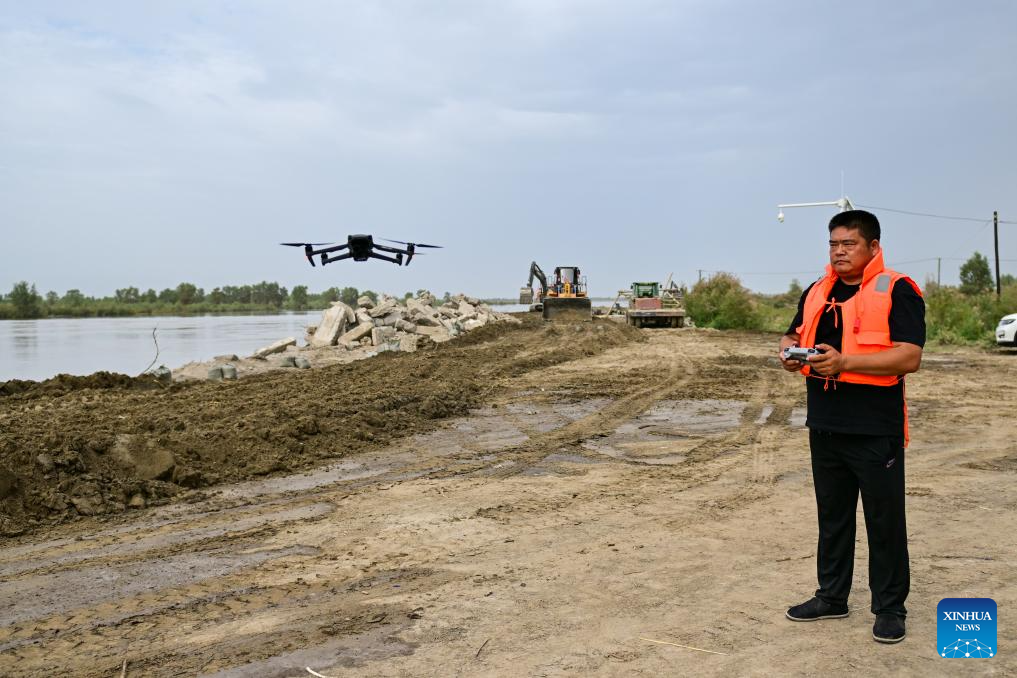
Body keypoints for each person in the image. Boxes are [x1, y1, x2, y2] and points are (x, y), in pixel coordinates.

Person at [778, 209, 925, 644]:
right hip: (824, 424)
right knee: (833, 517)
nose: (839, 252)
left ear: (873, 247)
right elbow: (790, 335)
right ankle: (831, 597)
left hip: (875, 429)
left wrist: (844, 363)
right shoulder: (817, 290)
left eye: (849, 244)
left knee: (884, 521)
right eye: (833, 244)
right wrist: (789, 352)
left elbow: (908, 356)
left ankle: (890, 608)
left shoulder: (898, 290)